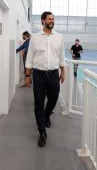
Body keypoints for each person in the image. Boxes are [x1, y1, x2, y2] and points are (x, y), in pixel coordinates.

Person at [24, 11, 65, 147]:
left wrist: (62, 71)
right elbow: (29, 58)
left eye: (53, 19)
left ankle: (46, 115)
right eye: (49, 19)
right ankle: (42, 132)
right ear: (43, 21)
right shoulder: (35, 38)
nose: (52, 21)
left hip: (53, 74)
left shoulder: (59, 37)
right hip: (38, 75)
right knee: (39, 104)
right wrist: (28, 76)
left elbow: (61, 56)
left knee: (53, 99)